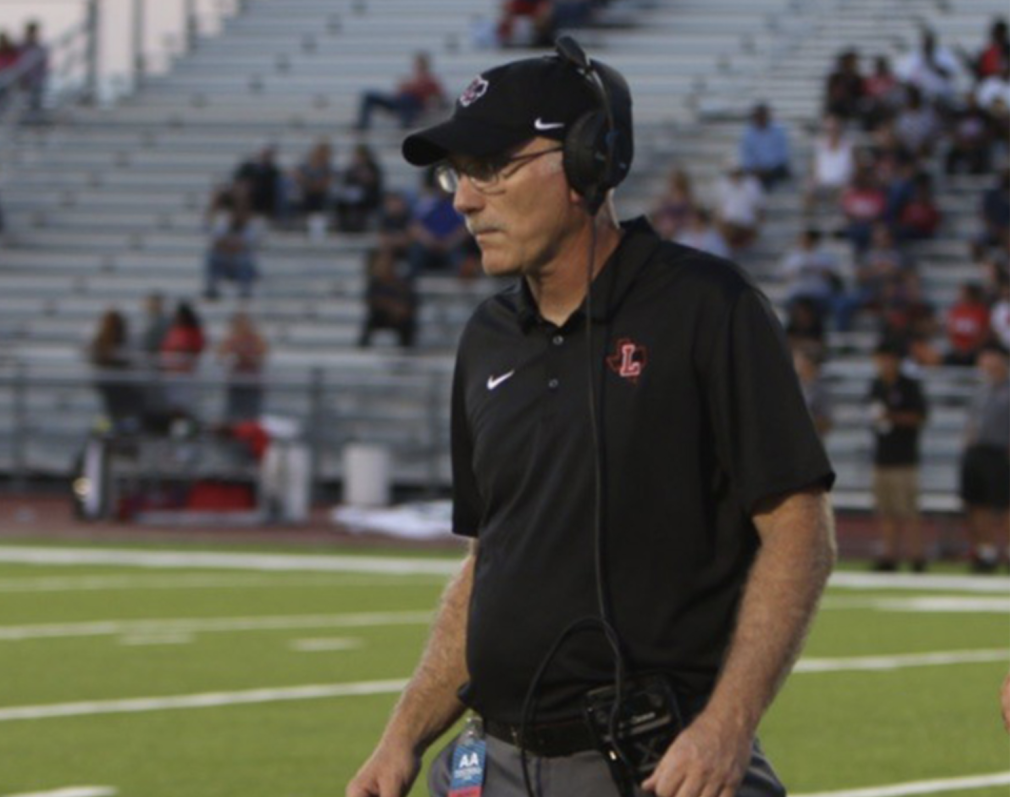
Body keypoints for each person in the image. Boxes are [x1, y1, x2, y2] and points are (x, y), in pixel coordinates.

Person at [348, 46, 836, 797]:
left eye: (491, 168)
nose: (464, 201)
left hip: (658, 763)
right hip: (495, 762)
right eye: (458, 174)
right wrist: (401, 737)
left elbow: (799, 525)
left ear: (586, 160)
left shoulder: (707, 307)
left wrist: (727, 725)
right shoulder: (485, 338)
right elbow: (492, 562)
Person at [867, 340, 929, 572]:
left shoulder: (909, 386)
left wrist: (891, 418)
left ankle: (917, 556)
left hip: (904, 459)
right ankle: (889, 554)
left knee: (909, 510)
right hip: (882, 457)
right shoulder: (876, 385)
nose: (883, 364)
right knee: (885, 511)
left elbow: (919, 417)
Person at [959, 340, 1009, 573]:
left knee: (1006, 506)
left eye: (989, 356)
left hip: (1002, 453)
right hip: (978, 452)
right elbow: (972, 422)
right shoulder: (981, 389)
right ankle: (986, 552)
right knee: (977, 504)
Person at [355, 52, 446, 131]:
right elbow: (398, 92)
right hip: (398, 103)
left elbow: (439, 98)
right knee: (369, 96)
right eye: (417, 64)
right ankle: (362, 125)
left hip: (413, 106)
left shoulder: (431, 81)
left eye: (420, 64)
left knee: (407, 100)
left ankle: (404, 126)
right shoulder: (411, 79)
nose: (418, 67)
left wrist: (430, 104)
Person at [89, 308, 144, 429]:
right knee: (118, 414)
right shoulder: (106, 340)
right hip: (117, 385)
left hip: (111, 385)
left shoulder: (102, 340)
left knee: (111, 414)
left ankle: (108, 430)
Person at [359, 246, 418, 349]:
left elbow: (412, 301)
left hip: (401, 317)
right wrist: (391, 307)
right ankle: (363, 348)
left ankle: (407, 350)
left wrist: (401, 310)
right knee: (371, 320)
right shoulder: (375, 283)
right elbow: (371, 300)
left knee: (409, 323)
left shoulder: (401, 283)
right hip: (382, 316)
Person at [217, 311, 268, 422]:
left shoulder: (256, 339)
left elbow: (261, 357)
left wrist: (246, 358)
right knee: (233, 414)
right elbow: (221, 357)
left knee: (251, 414)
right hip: (235, 381)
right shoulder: (230, 340)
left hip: (252, 382)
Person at [204, 202, 262, 300]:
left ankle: (245, 289)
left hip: (241, 264)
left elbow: (243, 246)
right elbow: (216, 243)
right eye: (235, 214)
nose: (237, 217)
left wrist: (228, 245)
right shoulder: (224, 226)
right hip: (226, 262)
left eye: (240, 214)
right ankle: (212, 288)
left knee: (244, 259)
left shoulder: (249, 228)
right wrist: (232, 245)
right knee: (212, 256)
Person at [737, 103, 790, 190]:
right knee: (744, 175)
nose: (760, 119)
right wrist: (756, 169)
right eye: (758, 116)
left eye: (763, 116)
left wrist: (768, 168)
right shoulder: (748, 134)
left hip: (774, 169)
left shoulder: (778, 131)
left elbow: (783, 154)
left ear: (767, 116)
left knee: (782, 172)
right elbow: (746, 155)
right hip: (755, 170)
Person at [336, 143, 385, 233]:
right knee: (340, 202)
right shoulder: (352, 168)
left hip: (369, 196)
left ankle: (359, 226)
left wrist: (366, 179)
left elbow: (376, 184)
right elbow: (346, 182)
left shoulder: (373, 168)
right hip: (353, 195)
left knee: (362, 203)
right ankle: (344, 226)